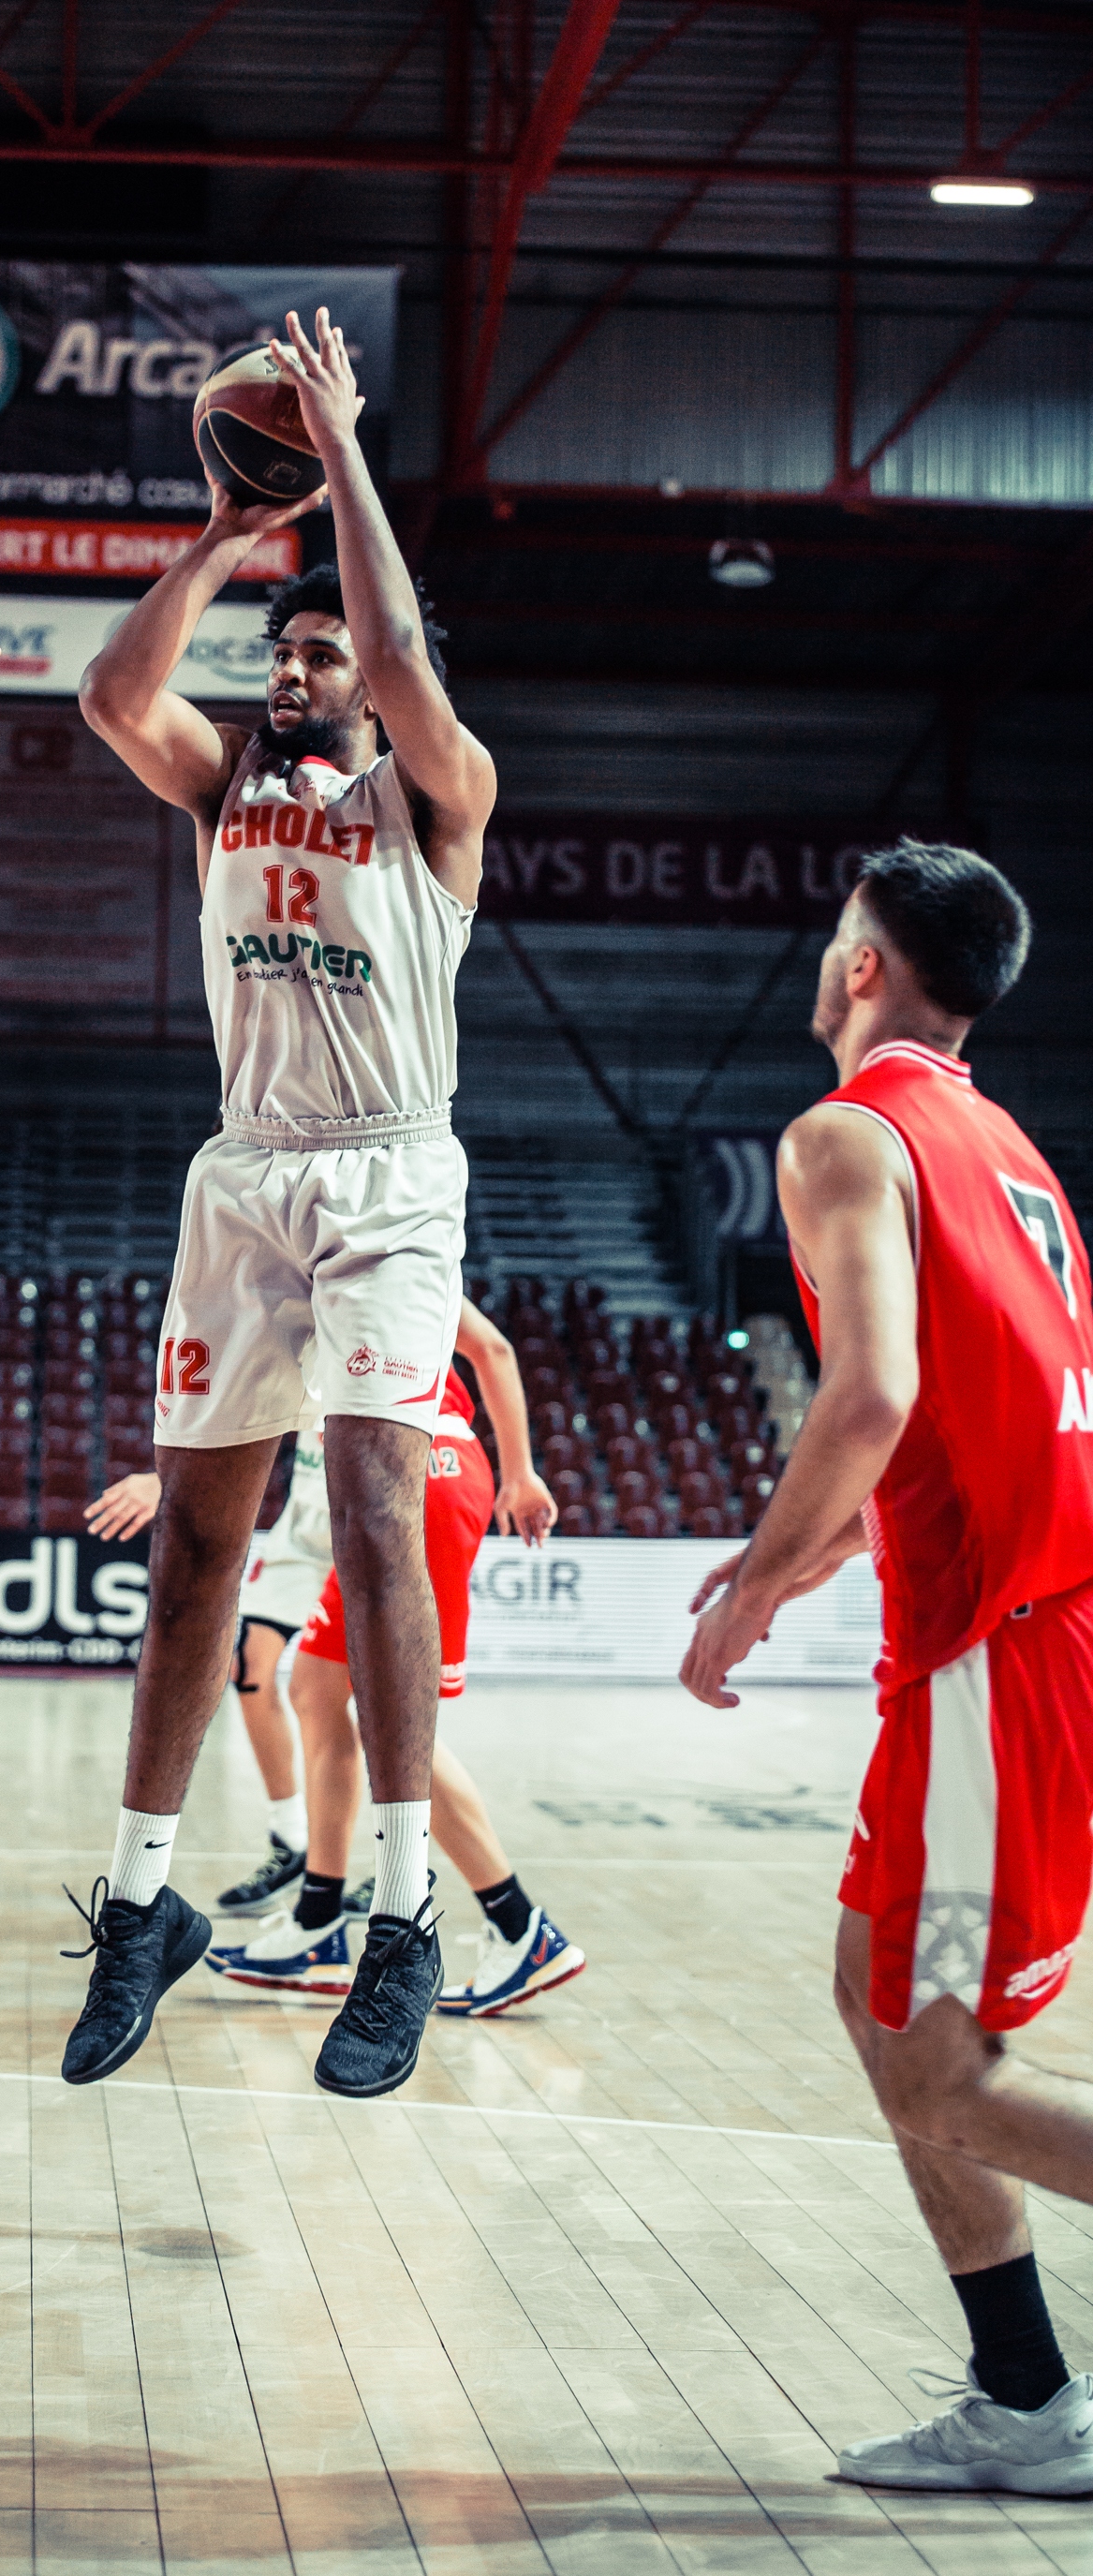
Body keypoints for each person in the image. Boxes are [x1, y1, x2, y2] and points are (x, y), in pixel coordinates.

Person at [64, 307, 497, 2101]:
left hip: (393, 1164)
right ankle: (145, 1901)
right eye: (289, 652)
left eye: (330, 655)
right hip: (244, 1170)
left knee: (380, 1509)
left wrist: (340, 463)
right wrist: (231, 538)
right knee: (195, 1558)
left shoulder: (438, 802)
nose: (305, 668)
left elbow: (400, 642)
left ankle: (400, 1923)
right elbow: (110, 695)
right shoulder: (220, 784)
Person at [679, 839, 1093, 2496]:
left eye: (834, 941)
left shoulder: (845, 1132)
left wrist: (759, 1593)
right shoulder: (1007, 1148)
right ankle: (1024, 2397)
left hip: (1006, 1647)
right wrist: (841, 1546)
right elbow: (981, 1413)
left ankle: (1038, 2408)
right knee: (876, 1990)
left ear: (863, 968)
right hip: (1016, 1629)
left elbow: (868, 1398)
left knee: (939, 2066)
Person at [208, 1300, 583, 2028]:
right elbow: (495, 1351)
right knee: (318, 1688)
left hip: (413, 1477)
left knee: (389, 1720)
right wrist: (519, 1473)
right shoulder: (406, 1241)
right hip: (412, 1468)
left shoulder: (300, 1251)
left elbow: (248, 1388)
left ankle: (519, 1928)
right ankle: (318, 1921)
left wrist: (174, 1481)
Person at [87, 1434, 376, 1922]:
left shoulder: (396, 1358)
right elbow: (251, 1417)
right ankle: (291, 1839)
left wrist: (517, 1471)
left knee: (373, 1701)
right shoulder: (302, 1357)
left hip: (372, 1522)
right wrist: (173, 1481)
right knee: (248, 1668)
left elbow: (490, 1355)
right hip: (306, 1532)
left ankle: (399, 1866)